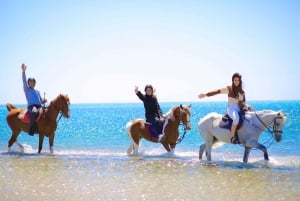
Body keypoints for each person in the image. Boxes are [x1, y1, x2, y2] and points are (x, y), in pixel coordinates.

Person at [198, 72, 253, 144]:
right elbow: (217, 91)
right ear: (233, 81)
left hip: (240, 108)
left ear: (240, 81)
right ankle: (232, 137)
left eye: (238, 80)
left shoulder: (242, 92)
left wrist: (248, 107)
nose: (236, 82)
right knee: (236, 119)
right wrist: (205, 94)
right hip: (232, 109)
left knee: (250, 118)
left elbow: (243, 103)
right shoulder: (229, 89)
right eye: (235, 80)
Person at [21, 63, 47, 136]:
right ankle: (31, 129)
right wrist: (23, 71)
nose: (32, 83)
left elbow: (40, 100)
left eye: (33, 82)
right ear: (28, 83)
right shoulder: (27, 89)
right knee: (34, 111)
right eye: (30, 82)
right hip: (31, 106)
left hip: (39, 106)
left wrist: (43, 101)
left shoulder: (37, 91)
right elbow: (23, 81)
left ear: (35, 83)